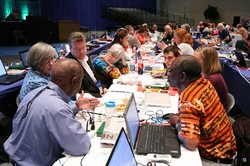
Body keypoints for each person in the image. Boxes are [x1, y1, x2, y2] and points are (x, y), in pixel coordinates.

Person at [4, 58, 100, 166]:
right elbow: (81, 146)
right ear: (74, 81)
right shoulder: (57, 108)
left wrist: (77, 106)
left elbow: (49, 113)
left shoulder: (35, 93)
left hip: (15, 157)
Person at [168, 56, 236, 166]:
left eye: (171, 70)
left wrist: (176, 122)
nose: (168, 74)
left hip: (215, 160)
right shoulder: (204, 83)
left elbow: (191, 143)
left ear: (182, 76)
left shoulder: (190, 99)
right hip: (226, 152)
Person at [66, 31, 107, 98]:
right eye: (77, 49)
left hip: (100, 92)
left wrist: (103, 87)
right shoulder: (69, 65)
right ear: (70, 49)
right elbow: (79, 92)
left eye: (83, 47)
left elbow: (94, 78)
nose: (81, 52)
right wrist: (99, 96)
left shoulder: (86, 57)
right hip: (90, 99)